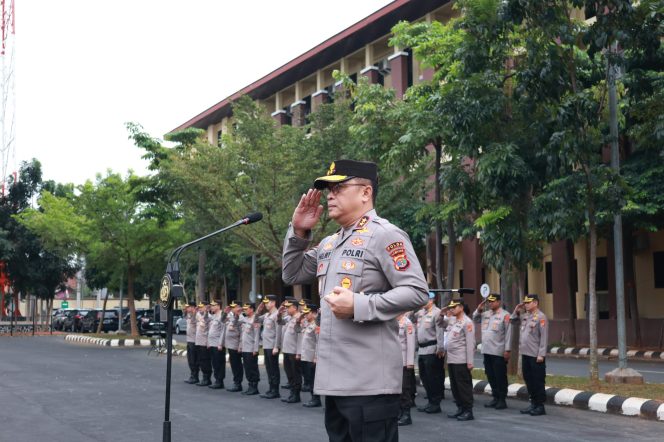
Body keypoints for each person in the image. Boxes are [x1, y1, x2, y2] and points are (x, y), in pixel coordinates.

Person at [282, 159, 429, 441]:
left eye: (338, 188)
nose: (330, 195)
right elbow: (292, 273)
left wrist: (359, 305)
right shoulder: (330, 243)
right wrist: (299, 232)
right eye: (328, 190)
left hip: (370, 383)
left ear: (365, 192)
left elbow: (416, 291)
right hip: (335, 381)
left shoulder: (385, 234)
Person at [472, 293, 511, 409]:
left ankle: (502, 399)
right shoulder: (485, 314)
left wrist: (507, 350)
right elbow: (475, 318)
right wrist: (478, 309)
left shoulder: (505, 315)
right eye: (489, 301)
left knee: (500, 376)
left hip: (498, 351)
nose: (490, 303)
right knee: (490, 375)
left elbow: (509, 334)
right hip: (487, 350)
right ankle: (495, 397)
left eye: (493, 301)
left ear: (499, 302)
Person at [512, 294, 548, 416]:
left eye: (528, 302)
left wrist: (541, 354)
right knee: (529, 380)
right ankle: (533, 403)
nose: (526, 304)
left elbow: (544, 337)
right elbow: (513, 321)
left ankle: (540, 406)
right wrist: (516, 310)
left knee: (538, 381)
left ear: (535, 303)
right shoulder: (525, 316)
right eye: (525, 303)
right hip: (525, 354)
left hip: (536, 355)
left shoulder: (541, 317)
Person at [445, 298, 476, 421]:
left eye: (454, 307)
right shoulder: (452, 320)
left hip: (461, 359)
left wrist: (470, 362)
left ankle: (468, 411)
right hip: (452, 359)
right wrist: (443, 311)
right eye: (450, 307)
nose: (452, 309)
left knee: (463, 386)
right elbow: (438, 321)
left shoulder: (467, 322)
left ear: (461, 308)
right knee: (455, 386)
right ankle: (460, 408)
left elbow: (470, 343)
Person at [414, 292, 445, 414]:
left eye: (424, 300)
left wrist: (440, 348)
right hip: (422, 350)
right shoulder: (421, 312)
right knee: (424, 377)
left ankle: (435, 403)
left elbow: (440, 331)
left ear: (431, 300)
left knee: (433, 378)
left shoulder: (437, 313)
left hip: (432, 349)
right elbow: (410, 316)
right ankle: (430, 401)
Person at [257, 294, 282, 399]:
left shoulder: (277, 315)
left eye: (268, 302)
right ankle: (271, 388)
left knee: (274, 368)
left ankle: (275, 390)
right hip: (266, 346)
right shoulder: (267, 315)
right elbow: (256, 320)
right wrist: (258, 311)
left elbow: (278, 331)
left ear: (273, 303)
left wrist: (276, 346)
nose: (266, 304)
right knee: (268, 368)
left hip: (272, 346)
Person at [279, 298, 302, 404]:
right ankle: (292, 393)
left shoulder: (300, 318)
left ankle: (296, 395)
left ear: (295, 308)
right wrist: (279, 314)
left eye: (289, 307)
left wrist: (298, 352)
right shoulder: (289, 318)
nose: (287, 309)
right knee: (289, 373)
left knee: (295, 373)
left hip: (294, 352)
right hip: (287, 350)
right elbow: (280, 322)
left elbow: (300, 338)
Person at [300, 303, 321, 408]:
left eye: (307, 314)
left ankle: (316, 399)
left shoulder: (316, 326)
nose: (305, 316)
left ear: (313, 313)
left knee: (313, 379)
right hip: (306, 357)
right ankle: (313, 397)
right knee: (309, 378)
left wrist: (316, 356)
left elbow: (318, 342)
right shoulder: (307, 324)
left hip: (312, 357)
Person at [397, 312, 416, 426]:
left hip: (404, 362)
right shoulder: (393, 321)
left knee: (405, 389)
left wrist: (410, 362)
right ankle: (399, 412)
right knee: (397, 390)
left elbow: (411, 344)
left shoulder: (407, 323)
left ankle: (406, 415)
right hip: (394, 362)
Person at [238, 302, 261, 395]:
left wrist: (255, 349)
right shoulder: (245, 319)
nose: (245, 310)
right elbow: (242, 335)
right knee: (247, 368)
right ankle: (250, 385)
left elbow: (256, 336)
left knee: (252, 368)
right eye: (244, 309)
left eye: (246, 309)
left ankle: (254, 387)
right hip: (245, 348)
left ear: (252, 309)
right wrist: (240, 346)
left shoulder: (255, 320)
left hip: (251, 349)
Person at [223, 301, 244, 392]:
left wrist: (240, 345)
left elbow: (242, 334)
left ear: (239, 307)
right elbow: (222, 321)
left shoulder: (241, 318)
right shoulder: (231, 317)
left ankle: (238, 383)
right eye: (232, 307)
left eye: (234, 307)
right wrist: (225, 313)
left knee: (237, 365)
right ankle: (236, 382)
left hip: (236, 345)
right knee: (234, 365)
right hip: (230, 345)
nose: (232, 308)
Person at [207, 300, 226, 390]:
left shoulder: (222, 316)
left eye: (213, 306)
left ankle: (220, 381)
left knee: (219, 363)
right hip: (212, 343)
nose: (212, 307)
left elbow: (223, 330)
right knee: (214, 363)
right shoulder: (213, 316)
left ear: (218, 306)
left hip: (218, 343)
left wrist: (220, 343)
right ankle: (216, 380)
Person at [195, 301, 212, 387]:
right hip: (198, 342)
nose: (200, 308)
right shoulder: (199, 315)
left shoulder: (208, 317)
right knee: (201, 360)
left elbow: (209, 331)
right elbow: (194, 313)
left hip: (205, 343)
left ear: (206, 307)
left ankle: (207, 378)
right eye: (200, 306)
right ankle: (204, 377)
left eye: (202, 306)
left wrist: (206, 311)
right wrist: (198, 309)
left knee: (206, 361)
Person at [183, 301, 200, 384]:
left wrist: (194, 312)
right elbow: (184, 316)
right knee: (190, 360)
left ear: (193, 307)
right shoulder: (189, 315)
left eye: (188, 307)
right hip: (189, 340)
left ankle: (195, 376)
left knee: (194, 360)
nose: (187, 308)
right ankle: (192, 375)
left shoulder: (196, 315)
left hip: (194, 341)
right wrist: (186, 311)